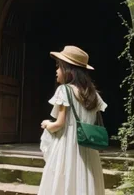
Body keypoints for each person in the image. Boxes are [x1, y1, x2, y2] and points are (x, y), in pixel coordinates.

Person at [39, 45, 107, 195]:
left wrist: (47, 124)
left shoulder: (64, 90)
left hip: (67, 147)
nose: (56, 71)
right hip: (88, 149)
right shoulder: (93, 94)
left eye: (58, 66)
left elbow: (59, 124)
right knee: (85, 181)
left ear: (68, 69)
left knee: (64, 182)